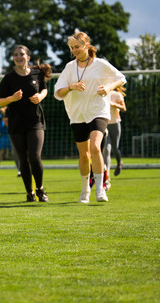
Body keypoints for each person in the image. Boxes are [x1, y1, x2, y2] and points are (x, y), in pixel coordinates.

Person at [54, 32, 126, 203]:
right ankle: (85, 189)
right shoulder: (70, 67)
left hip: (98, 111)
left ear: (87, 44)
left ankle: (100, 190)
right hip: (77, 114)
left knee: (95, 146)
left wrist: (108, 88)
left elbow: (120, 78)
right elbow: (58, 92)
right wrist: (72, 87)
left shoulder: (101, 64)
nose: (74, 50)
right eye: (71, 48)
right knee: (84, 155)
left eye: (77, 46)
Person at [0, 45, 51, 202]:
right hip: (16, 124)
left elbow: (44, 89)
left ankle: (40, 189)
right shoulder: (9, 78)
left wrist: (40, 96)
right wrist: (11, 98)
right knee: (23, 159)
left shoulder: (37, 74)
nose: (18, 57)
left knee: (34, 156)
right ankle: (29, 192)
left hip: (36, 121)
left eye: (21, 54)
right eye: (15, 55)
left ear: (28, 57)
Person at [104, 85, 126, 176]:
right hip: (104, 124)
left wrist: (114, 104)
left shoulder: (117, 94)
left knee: (115, 148)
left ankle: (119, 163)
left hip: (115, 124)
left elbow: (124, 108)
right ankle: (106, 174)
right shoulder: (102, 93)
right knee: (106, 149)